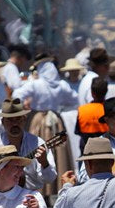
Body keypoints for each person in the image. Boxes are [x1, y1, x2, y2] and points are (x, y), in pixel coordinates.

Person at [12, 55, 77, 198]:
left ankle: (42, 190)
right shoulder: (61, 85)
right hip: (56, 120)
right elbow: (74, 98)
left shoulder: (36, 84)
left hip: (39, 120)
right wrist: (61, 105)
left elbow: (17, 94)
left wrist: (23, 106)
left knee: (39, 151)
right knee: (57, 154)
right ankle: (60, 187)